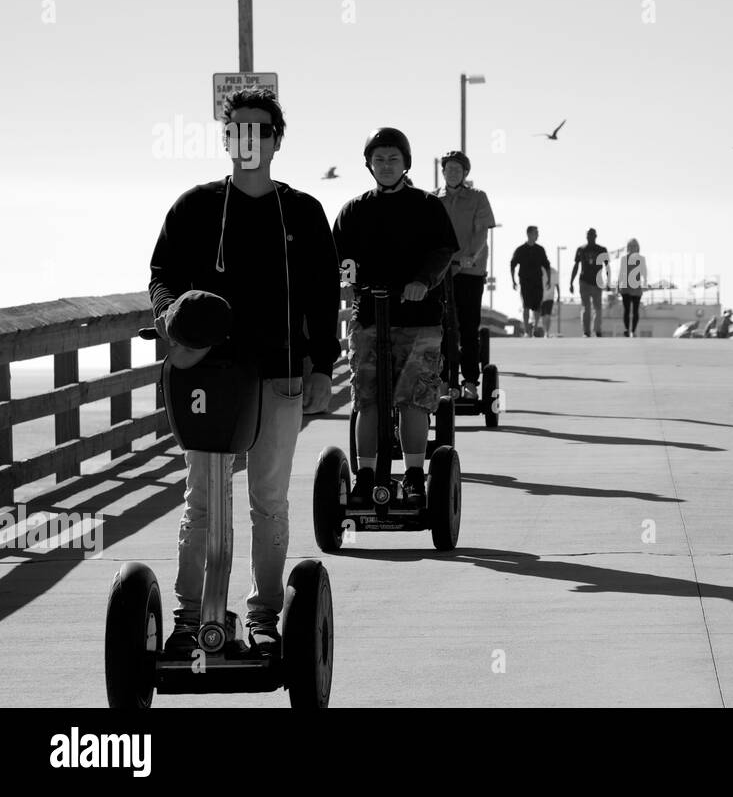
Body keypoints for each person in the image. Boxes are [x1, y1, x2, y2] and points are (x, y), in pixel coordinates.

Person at [148, 87, 340, 655]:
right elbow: (161, 274)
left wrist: (323, 366)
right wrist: (169, 317)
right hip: (208, 376)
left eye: (260, 129)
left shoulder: (303, 212)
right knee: (202, 500)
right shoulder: (194, 207)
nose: (248, 139)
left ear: (277, 140)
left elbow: (325, 296)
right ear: (226, 138)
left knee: (268, 501)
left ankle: (263, 617)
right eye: (238, 129)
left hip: (279, 375)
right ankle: (190, 618)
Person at [332, 127, 459, 508]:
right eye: (379, 159)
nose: (386, 165)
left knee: (413, 400)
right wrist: (349, 280)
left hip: (418, 318)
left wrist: (422, 281)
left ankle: (417, 476)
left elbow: (442, 252)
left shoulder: (426, 206)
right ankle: (365, 476)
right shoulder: (354, 211)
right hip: (370, 317)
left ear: (406, 163)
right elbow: (340, 259)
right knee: (367, 399)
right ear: (369, 165)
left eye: (393, 159)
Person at [435, 150, 495, 400]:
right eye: (448, 169)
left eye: (457, 170)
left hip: (470, 271)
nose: (452, 173)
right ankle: (443, 381)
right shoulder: (432, 199)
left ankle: (470, 380)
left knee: (468, 327)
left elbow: (482, 233)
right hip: (440, 273)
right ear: (443, 172)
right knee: (442, 327)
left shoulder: (478, 197)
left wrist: (468, 257)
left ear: (465, 173)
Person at [569, 228, 612, 337]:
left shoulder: (602, 250)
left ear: (595, 236)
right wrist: (571, 282)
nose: (591, 237)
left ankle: (597, 330)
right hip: (584, 282)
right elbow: (576, 266)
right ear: (586, 236)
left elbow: (607, 266)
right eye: (589, 235)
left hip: (597, 282)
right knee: (586, 307)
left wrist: (608, 282)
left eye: (592, 235)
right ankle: (586, 331)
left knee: (598, 308)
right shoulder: (581, 249)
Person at [510, 226, 551, 336]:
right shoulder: (520, 250)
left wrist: (549, 279)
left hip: (537, 281)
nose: (537, 235)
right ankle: (527, 330)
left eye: (537, 233)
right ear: (529, 234)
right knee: (526, 306)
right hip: (525, 282)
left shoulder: (540, 250)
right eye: (535, 233)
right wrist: (513, 280)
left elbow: (547, 265)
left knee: (537, 306)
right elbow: (512, 264)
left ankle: (535, 327)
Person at [617, 238, 647, 337]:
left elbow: (644, 273)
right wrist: (618, 285)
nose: (633, 247)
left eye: (635, 246)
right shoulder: (624, 259)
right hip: (625, 288)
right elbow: (621, 272)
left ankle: (633, 331)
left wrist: (645, 283)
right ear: (628, 247)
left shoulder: (641, 259)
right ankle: (626, 329)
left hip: (636, 289)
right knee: (626, 310)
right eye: (631, 246)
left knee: (635, 311)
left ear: (638, 247)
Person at [539, 265, 556, 337]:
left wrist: (558, 295)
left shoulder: (553, 271)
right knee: (543, 316)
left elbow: (556, 283)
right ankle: (545, 331)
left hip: (550, 297)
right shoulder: (539, 270)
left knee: (547, 315)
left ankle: (547, 332)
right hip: (541, 296)